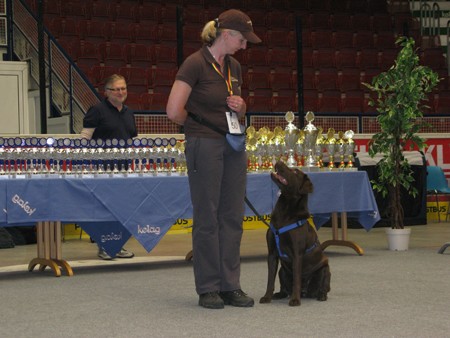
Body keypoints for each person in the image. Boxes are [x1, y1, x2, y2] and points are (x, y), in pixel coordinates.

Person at [166, 9, 261, 309]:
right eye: (242, 40)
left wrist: (242, 107)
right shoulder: (194, 63)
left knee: (232, 215)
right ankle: (208, 287)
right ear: (227, 35)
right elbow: (173, 111)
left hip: (233, 144)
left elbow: (235, 108)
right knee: (207, 215)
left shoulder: (234, 67)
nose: (245, 46)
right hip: (204, 144)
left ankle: (230, 285)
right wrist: (198, 128)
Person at [80, 74, 137, 260]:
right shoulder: (96, 110)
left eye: (124, 88)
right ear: (106, 92)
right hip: (102, 171)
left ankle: (117, 245)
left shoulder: (129, 112)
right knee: (104, 209)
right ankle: (104, 246)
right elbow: (84, 139)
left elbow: (133, 139)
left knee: (122, 209)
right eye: (116, 89)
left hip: (125, 170)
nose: (121, 92)